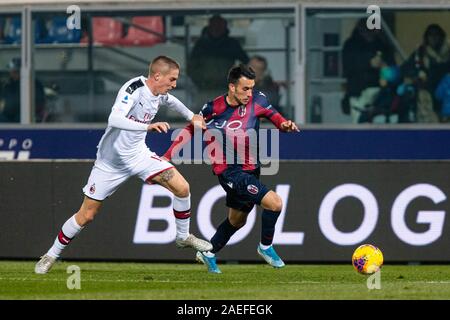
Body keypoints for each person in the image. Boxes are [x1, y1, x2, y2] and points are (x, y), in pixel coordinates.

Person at [34, 56, 212, 274]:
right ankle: (51, 254)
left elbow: (171, 101)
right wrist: (147, 127)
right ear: (157, 76)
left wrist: (191, 115)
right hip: (110, 162)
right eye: (172, 79)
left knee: (182, 187)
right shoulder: (134, 89)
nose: (174, 84)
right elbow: (114, 120)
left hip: (139, 156)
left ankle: (183, 237)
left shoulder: (159, 93)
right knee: (86, 215)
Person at [163, 64, 299, 273]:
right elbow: (190, 129)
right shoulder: (212, 109)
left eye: (252, 88)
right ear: (232, 87)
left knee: (237, 220)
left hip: (252, 167)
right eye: (245, 89)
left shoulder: (258, 100)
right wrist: (168, 155)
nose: (249, 93)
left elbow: (276, 117)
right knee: (275, 203)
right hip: (229, 171)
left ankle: (208, 252)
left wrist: (285, 125)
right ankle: (266, 247)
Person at [187, 14, 249, 111]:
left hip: (226, 90)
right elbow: (191, 67)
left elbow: (246, 62)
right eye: (214, 26)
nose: (217, 28)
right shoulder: (200, 44)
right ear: (209, 27)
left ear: (225, 27)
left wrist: (235, 79)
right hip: (204, 89)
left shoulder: (232, 44)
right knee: (203, 116)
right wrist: (201, 81)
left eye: (220, 26)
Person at [342, 18, 395, 123]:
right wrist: (369, 63)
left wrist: (384, 67)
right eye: (365, 28)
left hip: (380, 94)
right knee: (359, 124)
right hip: (358, 94)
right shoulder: (351, 45)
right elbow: (348, 67)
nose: (369, 31)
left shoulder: (382, 45)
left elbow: (392, 68)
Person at [400, 24, 450, 122]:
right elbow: (405, 69)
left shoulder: (448, 52)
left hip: (445, 91)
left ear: (442, 36)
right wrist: (417, 74)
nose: (434, 38)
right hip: (427, 91)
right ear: (426, 37)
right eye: (430, 35)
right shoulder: (420, 53)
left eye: (436, 35)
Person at [0, 57, 47, 122]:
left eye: (15, 71)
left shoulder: (34, 84)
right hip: (7, 116)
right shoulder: (8, 84)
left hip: (24, 115)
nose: (12, 73)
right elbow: (3, 99)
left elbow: (39, 102)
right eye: (11, 71)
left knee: (20, 119)